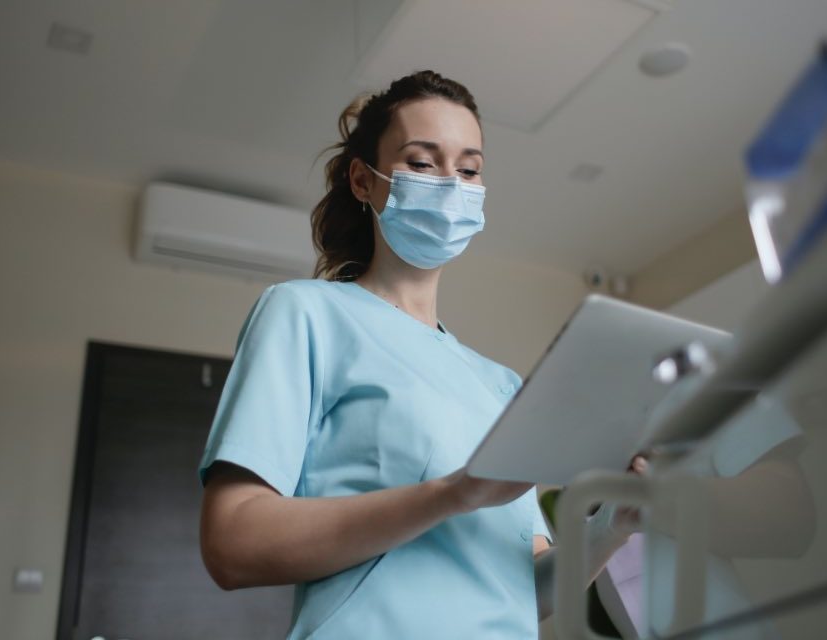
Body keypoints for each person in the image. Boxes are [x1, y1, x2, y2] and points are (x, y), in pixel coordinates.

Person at [197, 70, 637, 640]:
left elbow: (520, 590)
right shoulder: (305, 313)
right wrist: (455, 494)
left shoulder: (500, 385)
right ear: (364, 181)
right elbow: (234, 544)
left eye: (470, 169)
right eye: (423, 164)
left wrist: (613, 529)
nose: (451, 185)